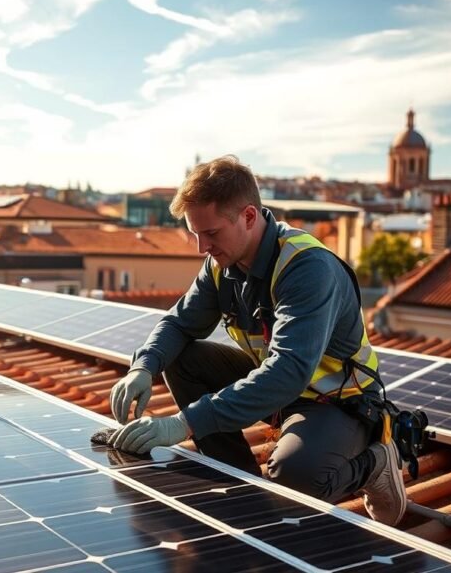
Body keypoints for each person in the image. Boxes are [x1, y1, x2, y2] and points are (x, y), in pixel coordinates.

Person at [108, 155, 407, 526]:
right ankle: (240, 484)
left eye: (212, 233)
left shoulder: (306, 267)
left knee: (295, 480)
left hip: (337, 401)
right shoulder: (223, 265)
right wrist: (143, 365)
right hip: (279, 390)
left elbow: (289, 371)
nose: (202, 247)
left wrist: (183, 424)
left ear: (249, 217)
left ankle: (375, 463)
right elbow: (180, 324)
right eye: (195, 233)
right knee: (181, 357)